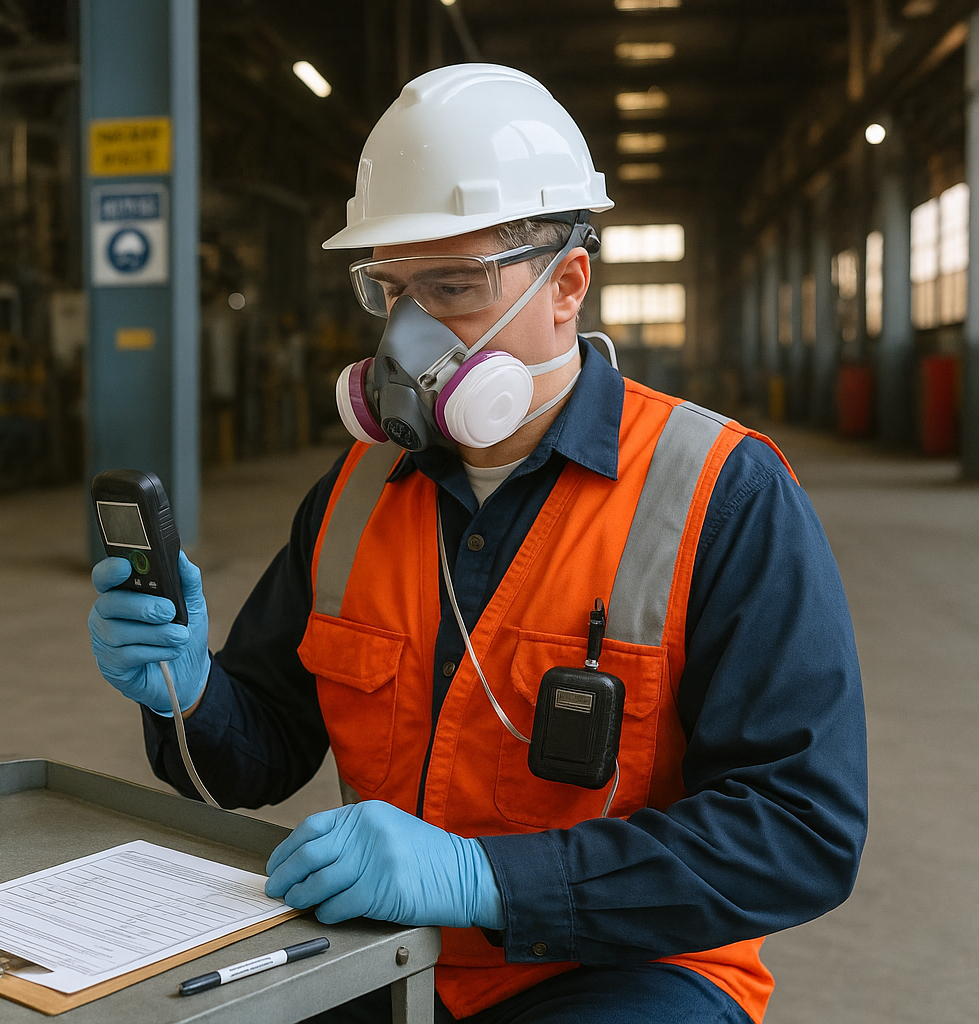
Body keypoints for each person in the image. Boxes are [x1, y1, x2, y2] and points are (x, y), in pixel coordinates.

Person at [87, 64, 867, 1024]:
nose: (410, 339)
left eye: (452, 287)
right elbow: (260, 757)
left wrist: (483, 880)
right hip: (389, 955)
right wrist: (189, 689)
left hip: (626, 967)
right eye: (392, 290)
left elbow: (799, 832)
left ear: (567, 284)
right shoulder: (354, 497)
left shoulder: (720, 493)